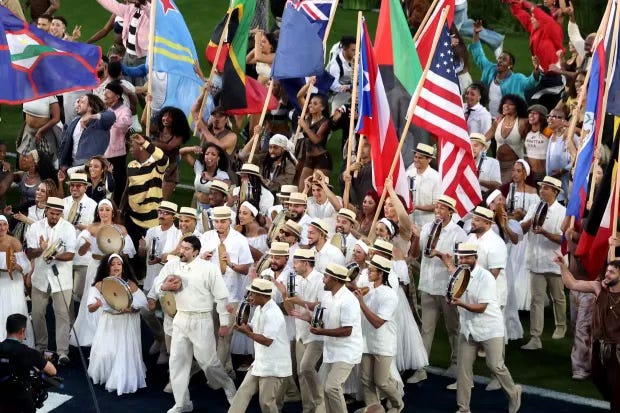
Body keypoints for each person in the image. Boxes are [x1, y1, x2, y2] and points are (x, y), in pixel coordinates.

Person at [153, 236, 237, 412]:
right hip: (180, 318)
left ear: (196, 252)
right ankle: (182, 404)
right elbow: (157, 283)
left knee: (208, 363)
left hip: (202, 320)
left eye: (187, 249)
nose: (182, 251)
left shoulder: (209, 269)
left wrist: (224, 322)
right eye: (181, 247)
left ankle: (228, 385)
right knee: (177, 362)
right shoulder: (172, 265)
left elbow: (222, 296)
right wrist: (164, 287)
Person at [445, 243, 522, 413]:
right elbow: (452, 295)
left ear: (475, 258)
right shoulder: (457, 275)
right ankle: (463, 409)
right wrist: (450, 300)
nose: (463, 261)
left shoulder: (486, 277)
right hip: (468, 329)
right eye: (461, 258)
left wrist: (460, 303)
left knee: (495, 366)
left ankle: (514, 393)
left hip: (489, 328)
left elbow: (481, 307)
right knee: (463, 370)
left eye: (467, 257)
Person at [409, 195, 468, 384]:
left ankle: (456, 364)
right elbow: (419, 253)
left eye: (442, 208)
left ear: (451, 211)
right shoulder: (428, 228)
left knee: (453, 328)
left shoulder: (459, 234)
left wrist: (440, 254)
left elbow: (460, 263)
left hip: (447, 288)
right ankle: (421, 368)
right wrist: (416, 237)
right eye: (437, 207)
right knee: (426, 330)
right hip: (428, 285)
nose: (438, 211)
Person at [554, 255, 620, 411]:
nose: (607, 274)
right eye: (607, 271)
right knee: (597, 379)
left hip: (616, 349)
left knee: (616, 388)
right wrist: (562, 266)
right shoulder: (598, 288)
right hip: (598, 345)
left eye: (612, 272)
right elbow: (572, 283)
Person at [71, 199, 135, 347]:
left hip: (112, 269)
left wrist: (117, 253)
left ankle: (108, 335)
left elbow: (127, 253)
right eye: (101, 209)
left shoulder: (120, 229)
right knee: (94, 297)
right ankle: (92, 335)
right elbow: (81, 252)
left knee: (110, 297)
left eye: (107, 209)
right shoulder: (91, 228)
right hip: (95, 267)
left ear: (113, 212)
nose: (104, 212)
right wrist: (87, 243)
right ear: (97, 212)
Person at [199, 206, 253, 375]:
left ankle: (217, 375)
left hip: (231, 296)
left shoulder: (240, 240)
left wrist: (231, 264)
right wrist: (201, 258)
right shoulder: (206, 237)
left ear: (230, 221)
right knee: (214, 334)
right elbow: (195, 263)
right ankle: (228, 370)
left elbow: (246, 269)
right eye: (216, 221)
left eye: (223, 221)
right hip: (209, 294)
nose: (219, 225)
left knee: (224, 335)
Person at [25, 196, 77, 365]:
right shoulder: (35, 227)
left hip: (62, 278)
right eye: (52, 213)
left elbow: (70, 254)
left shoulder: (68, 228)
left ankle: (62, 352)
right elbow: (29, 253)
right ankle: (41, 346)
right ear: (46, 210)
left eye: (57, 214)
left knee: (62, 315)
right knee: (37, 313)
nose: (54, 216)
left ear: (61, 213)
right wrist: (40, 250)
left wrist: (53, 255)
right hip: (40, 277)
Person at [87, 254, 147, 395]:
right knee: (107, 352)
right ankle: (108, 374)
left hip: (125, 324)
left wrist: (131, 309)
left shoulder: (130, 284)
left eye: (119, 264)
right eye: (113, 264)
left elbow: (142, 303)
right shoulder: (100, 285)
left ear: (123, 267)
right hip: (108, 323)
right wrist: (97, 305)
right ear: (107, 267)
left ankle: (121, 378)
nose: (116, 267)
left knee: (122, 354)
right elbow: (90, 308)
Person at [229, 278, 292, 413]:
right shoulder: (260, 308)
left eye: (253, 294)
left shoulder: (273, 314)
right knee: (243, 392)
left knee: (266, 403)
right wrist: (243, 326)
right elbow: (255, 328)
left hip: (273, 366)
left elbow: (267, 341)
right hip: (260, 362)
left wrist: (247, 332)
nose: (250, 296)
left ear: (262, 295)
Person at [521, 176, 566, 350]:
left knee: (558, 297)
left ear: (555, 192)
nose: (542, 190)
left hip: (554, 261)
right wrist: (528, 221)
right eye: (541, 187)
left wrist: (544, 232)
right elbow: (523, 229)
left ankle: (561, 326)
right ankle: (535, 337)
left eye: (546, 188)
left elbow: (563, 239)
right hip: (535, 261)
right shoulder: (534, 207)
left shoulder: (563, 212)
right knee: (536, 300)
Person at [355, 255, 404, 413]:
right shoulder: (368, 289)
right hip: (366, 342)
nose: (368, 273)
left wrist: (361, 303)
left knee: (381, 381)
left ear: (381, 273)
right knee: (366, 380)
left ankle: (397, 404)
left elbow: (377, 323)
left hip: (383, 344)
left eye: (371, 270)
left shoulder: (389, 295)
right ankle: (375, 410)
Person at [283, 248, 325, 413]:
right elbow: (290, 309)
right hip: (300, 333)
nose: (293, 266)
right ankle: (308, 408)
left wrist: (299, 301)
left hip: (316, 334)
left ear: (306, 263)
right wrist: (284, 294)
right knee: (302, 373)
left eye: (296, 263)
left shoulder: (321, 280)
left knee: (310, 371)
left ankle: (320, 406)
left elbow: (321, 306)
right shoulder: (296, 280)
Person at [138, 200, 181, 364]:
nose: (161, 215)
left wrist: (161, 259)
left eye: (165, 213)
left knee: (167, 315)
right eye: (160, 212)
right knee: (145, 312)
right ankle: (159, 337)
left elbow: (176, 258)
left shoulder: (178, 235)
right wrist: (142, 248)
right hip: (151, 279)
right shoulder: (151, 231)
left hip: (168, 282)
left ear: (173, 217)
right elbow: (143, 256)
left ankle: (165, 349)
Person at [468, 20, 540, 117]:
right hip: (486, 116)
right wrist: (476, 33)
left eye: (504, 59)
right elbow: (478, 55)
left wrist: (536, 69)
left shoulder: (517, 79)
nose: (500, 61)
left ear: (510, 65)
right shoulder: (490, 69)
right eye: (499, 58)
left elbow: (530, 82)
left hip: (507, 119)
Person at [121, 134, 169, 258]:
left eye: (133, 146)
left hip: (151, 221)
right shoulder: (131, 165)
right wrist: (121, 210)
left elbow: (164, 159)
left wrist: (145, 143)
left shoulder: (157, 165)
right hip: (131, 218)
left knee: (149, 256)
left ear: (141, 147)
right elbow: (127, 189)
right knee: (129, 254)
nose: (130, 149)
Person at [0, 314, 57, 413]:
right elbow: (52, 371)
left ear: (7, 329)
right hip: (22, 402)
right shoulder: (29, 352)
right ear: (22, 331)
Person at [95, 0, 150, 87]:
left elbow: (150, 10)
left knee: (142, 87)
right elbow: (111, 4)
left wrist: (144, 4)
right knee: (126, 85)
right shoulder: (130, 9)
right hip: (127, 56)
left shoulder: (152, 13)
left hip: (142, 59)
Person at [59, 93, 116, 169]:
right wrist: (63, 164)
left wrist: (92, 116)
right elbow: (65, 143)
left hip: (91, 166)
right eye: (78, 101)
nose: (78, 104)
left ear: (90, 107)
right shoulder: (74, 121)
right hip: (72, 166)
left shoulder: (99, 122)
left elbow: (111, 116)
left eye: (82, 102)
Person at [0, 217, 32, 343]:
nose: (2, 228)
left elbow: (25, 267)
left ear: (8, 226)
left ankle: (17, 342)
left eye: (4, 224)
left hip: (12, 283)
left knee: (14, 309)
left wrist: (15, 265)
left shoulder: (14, 242)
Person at [485, 94, 529, 184]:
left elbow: (529, 145)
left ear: (517, 107)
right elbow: (485, 137)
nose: (506, 106)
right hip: (497, 164)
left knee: (504, 188)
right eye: (505, 103)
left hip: (514, 166)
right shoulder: (498, 121)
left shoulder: (522, 123)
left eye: (510, 104)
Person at [152, 107, 191, 200]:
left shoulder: (179, 135)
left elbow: (169, 147)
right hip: (153, 167)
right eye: (164, 115)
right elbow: (144, 121)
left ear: (176, 120)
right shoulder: (158, 130)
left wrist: (149, 143)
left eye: (170, 117)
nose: (166, 118)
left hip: (169, 171)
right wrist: (147, 104)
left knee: (161, 201)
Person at [180, 142, 231, 212]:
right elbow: (182, 152)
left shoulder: (222, 174)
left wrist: (210, 178)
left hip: (212, 209)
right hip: (197, 205)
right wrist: (193, 148)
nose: (209, 156)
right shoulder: (199, 167)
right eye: (207, 154)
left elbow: (227, 185)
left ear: (218, 158)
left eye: (213, 154)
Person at [102, 81, 131, 203]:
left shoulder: (124, 110)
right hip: (104, 153)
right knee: (104, 183)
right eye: (105, 91)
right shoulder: (106, 109)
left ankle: (118, 207)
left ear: (117, 96)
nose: (105, 94)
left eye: (108, 92)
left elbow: (126, 123)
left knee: (118, 184)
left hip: (116, 155)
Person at [406, 143, 441, 228]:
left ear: (429, 159)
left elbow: (438, 206)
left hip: (427, 225)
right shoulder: (408, 174)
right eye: (415, 157)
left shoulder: (436, 178)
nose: (416, 160)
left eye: (420, 158)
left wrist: (417, 207)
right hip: (409, 223)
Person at [327, 35, 355, 114]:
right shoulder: (335, 65)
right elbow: (333, 85)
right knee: (335, 113)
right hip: (341, 90)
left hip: (355, 88)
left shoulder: (358, 56)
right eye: (353, 50)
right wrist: (349, 87)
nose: (356, 52)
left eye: (356, 49)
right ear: (345, 49)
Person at [524, 104, 550, 183]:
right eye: (530, 113)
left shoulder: (547, 131)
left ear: (542, 116)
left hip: (543, 173)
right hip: (529, 173)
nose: (531, 115)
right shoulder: (527, 130)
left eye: (535, 113)